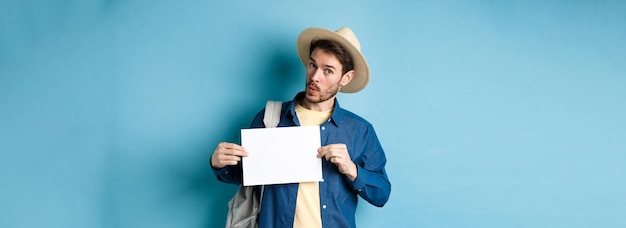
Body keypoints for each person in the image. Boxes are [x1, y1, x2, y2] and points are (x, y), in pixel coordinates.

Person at [211, 27, 391, 228]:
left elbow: (381, 194)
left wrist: (351, 169)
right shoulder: (270, 118)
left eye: (328, 71)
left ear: (346, 78)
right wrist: (221, 163)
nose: (315, 76)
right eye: (312, 65)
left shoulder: (360, 130)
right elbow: (246, 175)